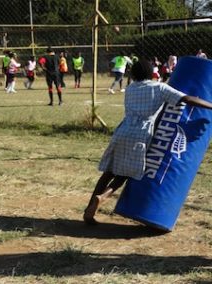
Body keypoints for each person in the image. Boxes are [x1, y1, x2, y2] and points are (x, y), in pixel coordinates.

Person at [83, 59, 212, 225]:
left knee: (108, 172)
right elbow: (187, 99)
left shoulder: (130, 89)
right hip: (141, 134)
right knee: (125, 175)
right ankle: (103, 197)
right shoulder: (159, 88)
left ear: (133, 74)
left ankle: (88, 211)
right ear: (152, 73)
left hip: (123, 130)